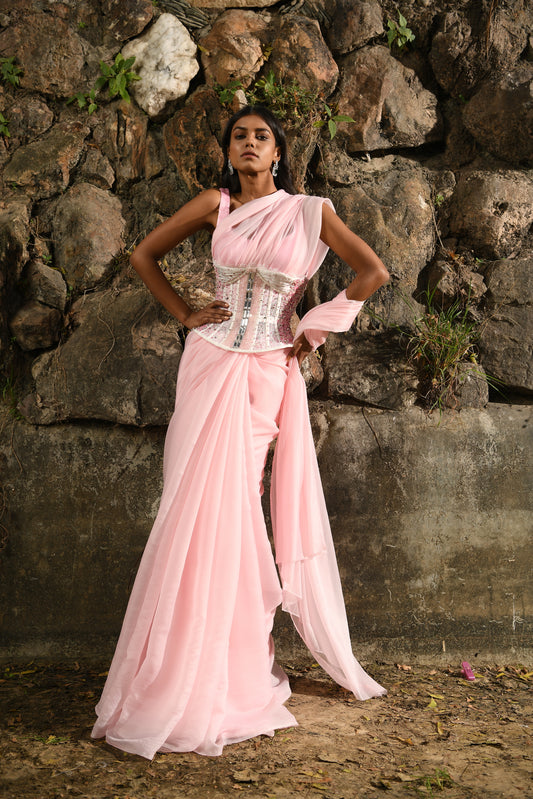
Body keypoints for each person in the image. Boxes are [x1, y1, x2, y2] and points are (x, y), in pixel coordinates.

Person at [91, 105, 390, 759]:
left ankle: (234, 670)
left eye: (261, 136)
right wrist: (185, 312)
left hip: (265, 373)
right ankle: (176, 671)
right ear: (229, 152)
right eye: (239, 137)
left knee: (238, 516)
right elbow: (143, 254)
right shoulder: (213, 204)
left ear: (278, 151)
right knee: (187, 512)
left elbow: (372, 273)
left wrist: (311, 331)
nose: (249, 144)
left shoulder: (310, 212)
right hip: (206, 362)